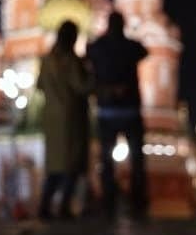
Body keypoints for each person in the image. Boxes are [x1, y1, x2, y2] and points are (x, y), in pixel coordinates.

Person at [87, 12, 149, 220]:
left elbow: (89, 56)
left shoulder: (97, 47)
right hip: (131, 109)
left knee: (106, 159)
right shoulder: (131, 47)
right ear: (122, 25)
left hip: (106, 110)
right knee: (137, 159)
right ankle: (138, 201)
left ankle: (108, 201)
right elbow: (144, 52)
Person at [37, 21, 92, 220]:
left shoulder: (46, 59)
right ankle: (63, 207)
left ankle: (44, 205)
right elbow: (82, 86)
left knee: (54, 167)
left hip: (51, 117)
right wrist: (92, 71)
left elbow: (39, 85)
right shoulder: (71, 60)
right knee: (71, 165)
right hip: (71, 118)